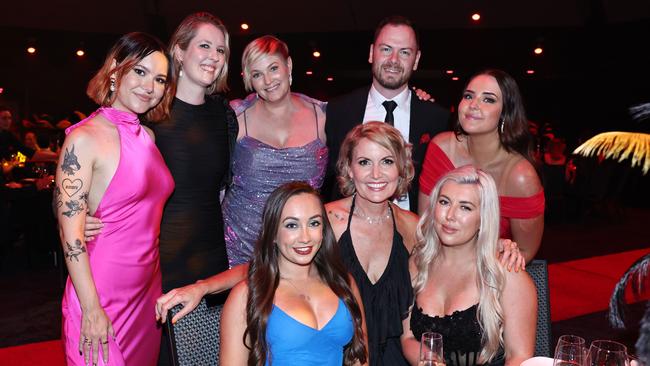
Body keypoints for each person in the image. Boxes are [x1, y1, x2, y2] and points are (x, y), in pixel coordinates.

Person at [57, 32, 175, 366]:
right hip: (100, 292)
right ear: (114, 72)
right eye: (139, 71)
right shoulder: (83, 138)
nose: (149, 86)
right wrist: (92, 308)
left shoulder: (148, 137)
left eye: (159, 79)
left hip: (146, 290)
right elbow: (71, 237)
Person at [219, 182, 368, 365]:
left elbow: (360, 360)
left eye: (314, 223)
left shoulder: (343, 282)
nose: (305, 237)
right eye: (291, 225)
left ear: (323, 230)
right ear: (273, 233)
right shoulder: (245, 296)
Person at [402, 165, 537, 366]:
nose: (450, 215)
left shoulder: (507, 274)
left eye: (465, 207)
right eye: (444, 202)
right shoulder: (417, 263)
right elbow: (408, 337)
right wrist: (430, 361)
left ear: (483, 217)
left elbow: (520, 357)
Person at [325, 15, 449, 213]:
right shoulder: (337, 111)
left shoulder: (437, 120)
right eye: (386, 49)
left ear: (416, 60)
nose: (393, 60)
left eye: (404, 52)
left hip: (413, 235)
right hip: (347, 232)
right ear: (371, 53)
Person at [222, 35, 327, 267]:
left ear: (288, 66)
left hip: (302, 247)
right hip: (239, 250)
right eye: (257, 74)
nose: (268, 80)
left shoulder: (323, 115)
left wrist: (419, 101)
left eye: (273, 68)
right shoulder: (235, 116)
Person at [419, 69, 544, 262]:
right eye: (469, 96)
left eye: (488, 99)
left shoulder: (520, 176)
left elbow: (525, 251)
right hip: (437, 262)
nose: (473, 105)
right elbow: (426, 224)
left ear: (505, 113)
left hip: (487, 273)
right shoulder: (441, 148)